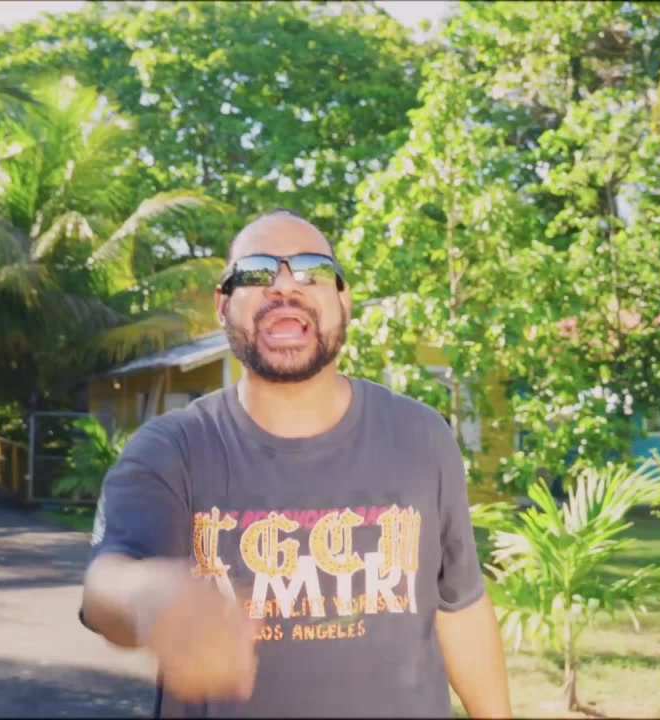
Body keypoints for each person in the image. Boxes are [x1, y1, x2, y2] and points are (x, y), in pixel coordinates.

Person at [79, 209, 513, 718]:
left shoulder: (422, 436)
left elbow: (459, 608)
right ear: (222, 305)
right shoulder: (171, 448)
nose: (285, 286)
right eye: (256, 272)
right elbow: (105, 586)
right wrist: (154, 599)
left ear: (343, 300)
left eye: (312, 270)